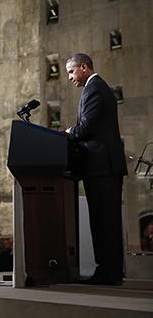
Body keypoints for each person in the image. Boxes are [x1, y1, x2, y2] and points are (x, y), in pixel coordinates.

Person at [65, 53, 127, 285]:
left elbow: (86, 127)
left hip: (102, 167)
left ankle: (108, 273)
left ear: (84, 67)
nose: (70, 77)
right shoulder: (97, 88)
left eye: (71, 72)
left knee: (104, 222)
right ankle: (110, 271)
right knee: (105, 221)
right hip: (103, 167)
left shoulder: (94, 88)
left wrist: (67, 133)